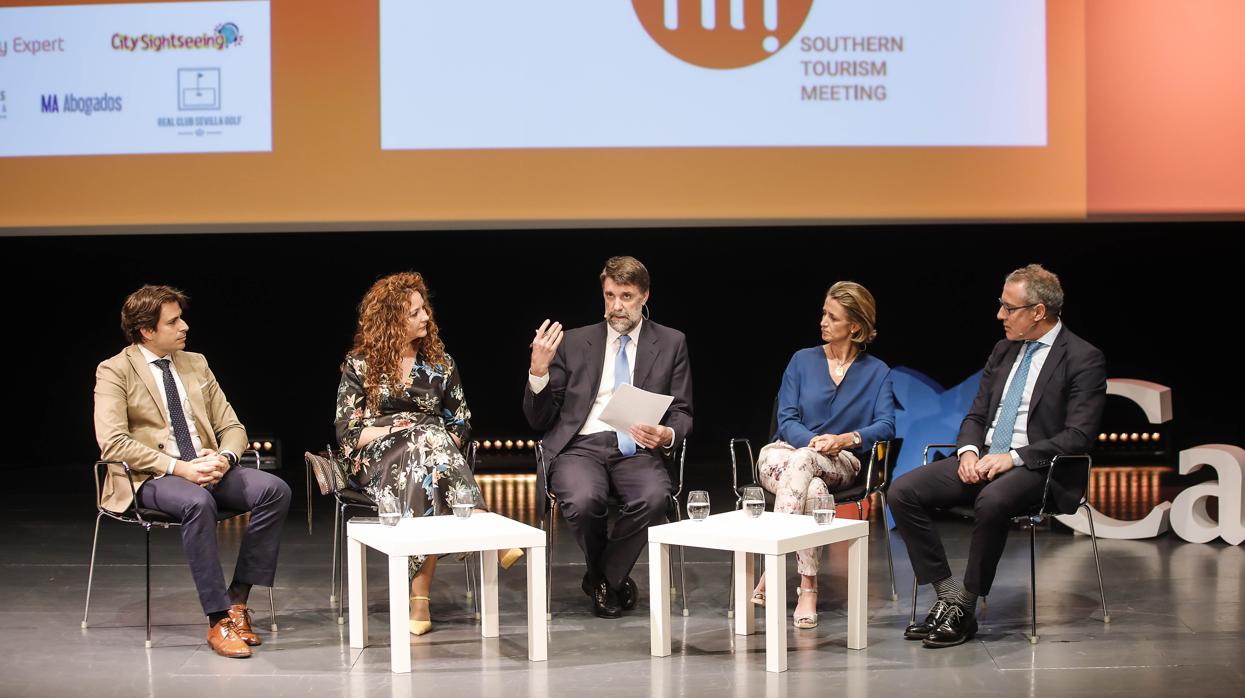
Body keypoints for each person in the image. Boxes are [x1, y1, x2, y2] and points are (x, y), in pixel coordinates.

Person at [889, 264, 1106, 648]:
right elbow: (976, 414)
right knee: (903, 491)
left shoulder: (1083, 358)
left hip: (1041, 468)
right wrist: (970, 451)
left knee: (992, 500)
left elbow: (1078, 436)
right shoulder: (1003, 350)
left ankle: (966, 608)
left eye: (1009, 308)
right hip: (986, 458)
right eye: (1000, 305)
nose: (999, 315)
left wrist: (1015, 457)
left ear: (1038, 312)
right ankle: (950, 595)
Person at [93, 285, 292, 659]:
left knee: (275, 490)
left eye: (181, 317)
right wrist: (179, 467)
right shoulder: (115, 370)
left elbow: (233, 427)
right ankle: (218, 620)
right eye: (173, 321)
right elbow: (113, 442)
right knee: (198, 502)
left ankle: (237, 601)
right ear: (146, 331)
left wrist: (225, 459)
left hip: (204, 466)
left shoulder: (195, 363)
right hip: (149, 477)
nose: (184, 326)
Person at [334, 272, 512, 636]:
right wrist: (400, 431)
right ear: (391, 319)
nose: (425, 318)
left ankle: (419, 599)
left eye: (424, 309)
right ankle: (476, 518)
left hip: (428, 462)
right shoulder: (360, 365)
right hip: (374, 459)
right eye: (415, 313)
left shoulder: (440, 364)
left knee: (424, 458)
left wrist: (433, 446)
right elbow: (348, 433)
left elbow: (461, 422)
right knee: (425, 437)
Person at [523, 256, 693, 618]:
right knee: (583, 500)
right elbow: (539, 418)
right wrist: (538, 371)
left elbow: (682, 413)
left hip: (636, 447)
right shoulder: (573, 342)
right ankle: (609, 579)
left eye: (626, 296)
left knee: (655, 496)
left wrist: (665, 433)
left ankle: (602, 577)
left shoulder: (671, 342)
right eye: (610, 295)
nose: (616, 306)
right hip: (580, 448)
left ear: (645, 295)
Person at [751, 281, 895, 629]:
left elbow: (886, 425)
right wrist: (813, 443)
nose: (823, 322)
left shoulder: (877, 373)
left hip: (842, 460)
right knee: (813, 489)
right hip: (783, 454)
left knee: (808, 468)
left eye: (832, 317)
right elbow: (786, 419)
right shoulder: (802, 360)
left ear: (855, 326)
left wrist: (846, 439)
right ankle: (807, 589)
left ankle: (773, 567)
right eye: (823, 314)